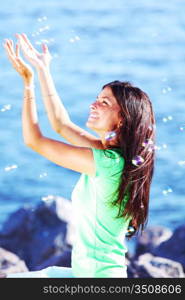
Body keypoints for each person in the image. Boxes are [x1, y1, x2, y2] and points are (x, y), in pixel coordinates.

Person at [3, 34, 156, 278]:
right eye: (96, 99)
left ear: (123, 118)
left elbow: (34, 141)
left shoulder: (107, 164)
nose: (93, 105)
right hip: (84, 275)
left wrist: (28, 83)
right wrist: (42, 70)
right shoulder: (113, 157)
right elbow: (61, 125)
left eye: (104, 103)